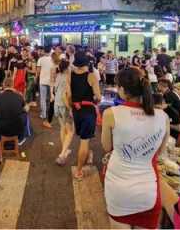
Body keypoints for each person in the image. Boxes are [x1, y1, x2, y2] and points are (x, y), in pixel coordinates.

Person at [102, 67, 169, 228]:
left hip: (119, 188)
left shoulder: (111, 114)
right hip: (149, 190)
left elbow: (107, 147)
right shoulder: (163, 117)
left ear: (123, 90)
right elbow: (158, 152)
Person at [70, 51, 101, 181]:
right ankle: (78, 170)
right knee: (84, 141)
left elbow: (68, 95)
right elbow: (98, 97)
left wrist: (71, 108)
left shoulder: (70, 75)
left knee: (82, 138)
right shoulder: (91, 76)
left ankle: (88, 155)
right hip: (88, 111)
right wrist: (94, 100)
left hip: (76, 110)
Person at [0, 77, 27, 143]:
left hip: (2, 129)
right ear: (13, 85)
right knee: (25, 115)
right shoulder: (19, 96)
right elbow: (26, 109)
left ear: (4, 85)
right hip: (16, 129)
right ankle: (21, 138)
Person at [54, 59, 74, 166]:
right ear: (66, 68)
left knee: (63, 128)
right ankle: (62, 154)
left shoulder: (58, 76)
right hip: (64, 106)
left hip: (57, 105)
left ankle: (65, 149)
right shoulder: (67, 78)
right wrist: (70, 108)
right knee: (70, 132)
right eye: (69, 67)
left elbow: (55, 91)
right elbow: (65, 95)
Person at [37, 46, 55, 129]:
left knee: (43, 98)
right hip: (51, 81)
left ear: (44, 51)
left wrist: (36, 77)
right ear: (50, 51)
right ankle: (49, 112)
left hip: (42, 81)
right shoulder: (53, 59)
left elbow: (38, 71)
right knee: (50, 98)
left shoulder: (40, 59)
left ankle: (43, 114)